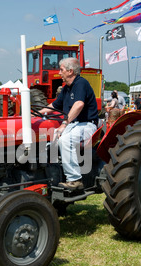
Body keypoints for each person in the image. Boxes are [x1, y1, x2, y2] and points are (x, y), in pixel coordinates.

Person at [39, 57, 99, 192]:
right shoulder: (66, 89)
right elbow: (53, 106)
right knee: (49, 139)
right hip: (74, 125)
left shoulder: (81, 83)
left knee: (66, 140)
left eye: (61, 70)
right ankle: (51, 175)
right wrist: (35, 113)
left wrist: (64, 124)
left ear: (70, 71)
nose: (59, 73)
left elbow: (79, 104)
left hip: (86, 125)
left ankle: (75, 180)